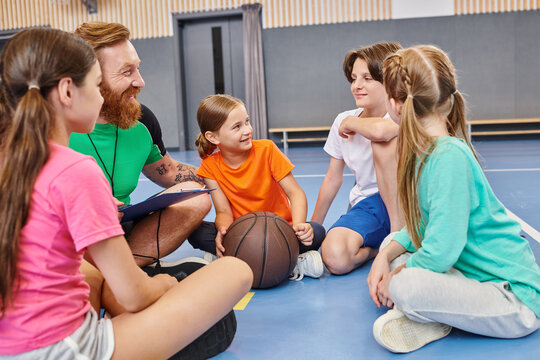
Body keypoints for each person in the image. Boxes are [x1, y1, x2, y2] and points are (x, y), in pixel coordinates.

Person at [0, 27, 252, 359]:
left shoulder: (13, 156)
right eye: (94, 84)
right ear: (67, 91)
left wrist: (216, 178)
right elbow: (134, 296)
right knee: (236, 270)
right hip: (71, 348)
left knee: (92, 276)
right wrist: (169, 286)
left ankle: (118, 279)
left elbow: (170, 171)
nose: (140, 81)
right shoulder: (75, 168)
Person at [367, 44, 540, 353]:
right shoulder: (426, 152)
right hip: (470, 276)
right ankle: (432, 313)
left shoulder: (448, 157)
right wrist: (384, 258)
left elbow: (442, 251)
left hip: (513, 300)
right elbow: (420, 227)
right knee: (392, 243)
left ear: (395, 105)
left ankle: (429, 316)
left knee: (405, 285)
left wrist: (393, 277)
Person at [69, 22, 211, 267]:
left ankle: (125, 270)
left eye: (138, 69)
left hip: (123, 225)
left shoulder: (140, 118)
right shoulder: (52, 124)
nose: (140, 81)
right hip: (73, 232)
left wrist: (224, 174)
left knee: (197, 197)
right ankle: (118, 275)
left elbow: (170, 172)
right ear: (89, 77)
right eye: (127, 72)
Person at [194, 94, 325, 281]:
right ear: (213, 137)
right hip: (243, 235)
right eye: (237, 127)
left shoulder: (267, 150)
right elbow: (223, 211)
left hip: (281, 231)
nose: (247, 130)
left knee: (317, 231)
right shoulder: (209, 166)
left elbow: (295, 193)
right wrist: (224, 233)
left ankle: (248, 260)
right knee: (196, 232)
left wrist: (299, 225)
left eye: (247, 122)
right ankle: (285, 260)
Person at [312, 42, 404, 275]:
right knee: (334, 256)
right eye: (354, 78)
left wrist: (353, 123)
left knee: (381, 142)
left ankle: (397, 238)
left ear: (389, 82)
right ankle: (378, 248)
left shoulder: (401, 113)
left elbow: (381, 131)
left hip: (402, 203)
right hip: (366, 205)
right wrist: (313, 229)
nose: (357, 86)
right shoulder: (342, 119)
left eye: (367, 78)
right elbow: (333, 178)